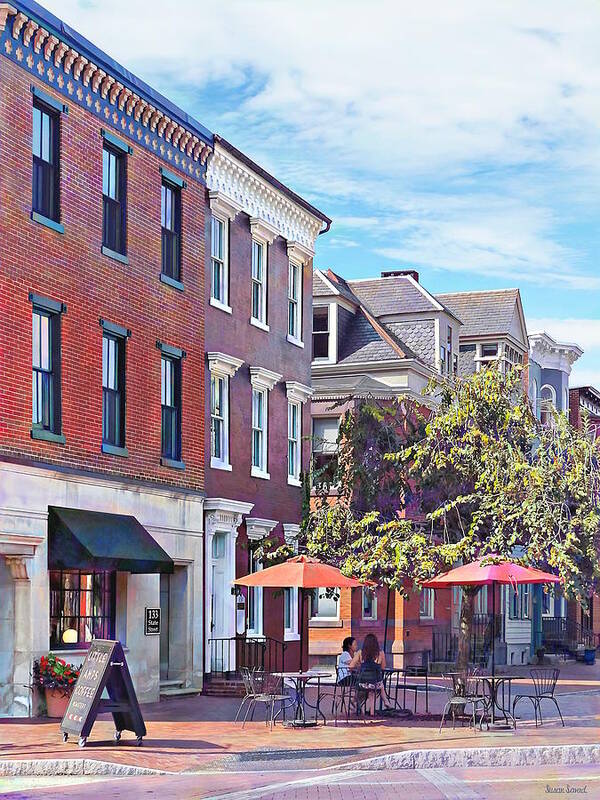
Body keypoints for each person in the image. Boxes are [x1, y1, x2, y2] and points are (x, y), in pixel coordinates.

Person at [356, 633, 393, 714]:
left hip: (362, 683)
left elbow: (351, 665)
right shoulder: (381, 653)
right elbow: (383, 667)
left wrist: (360, 666)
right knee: (379, 685)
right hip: (375, 684)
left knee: (367, 689)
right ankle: (385, 702)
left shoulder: (360, 653)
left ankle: (358, 704)